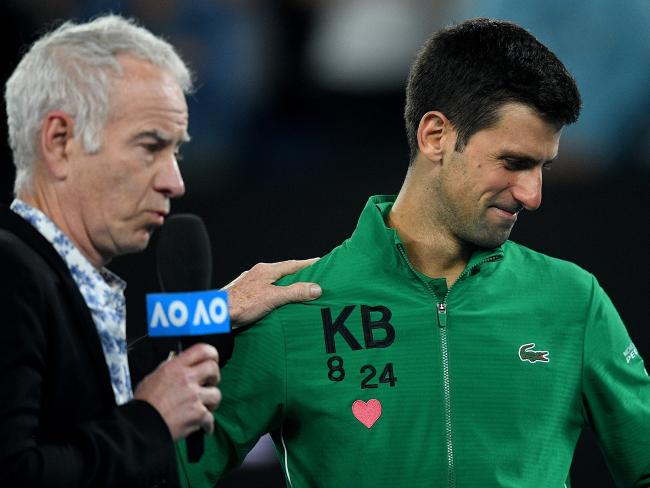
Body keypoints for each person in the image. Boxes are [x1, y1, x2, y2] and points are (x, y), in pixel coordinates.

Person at [181, 18, 650, 487]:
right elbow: (155, 467)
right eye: (514, 163)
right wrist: (200, 314)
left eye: (543, 166)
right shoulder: (292, 307)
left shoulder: (574, 300)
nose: (533, 195)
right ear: (435, 136)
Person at [0, 15, 322, 488]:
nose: (175, 181)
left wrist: (215, 312)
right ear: (59, 141)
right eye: (150, 147)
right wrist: (152, 419)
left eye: (176, 151)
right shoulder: (12, 275)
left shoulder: (44, 274)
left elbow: (83, 406)